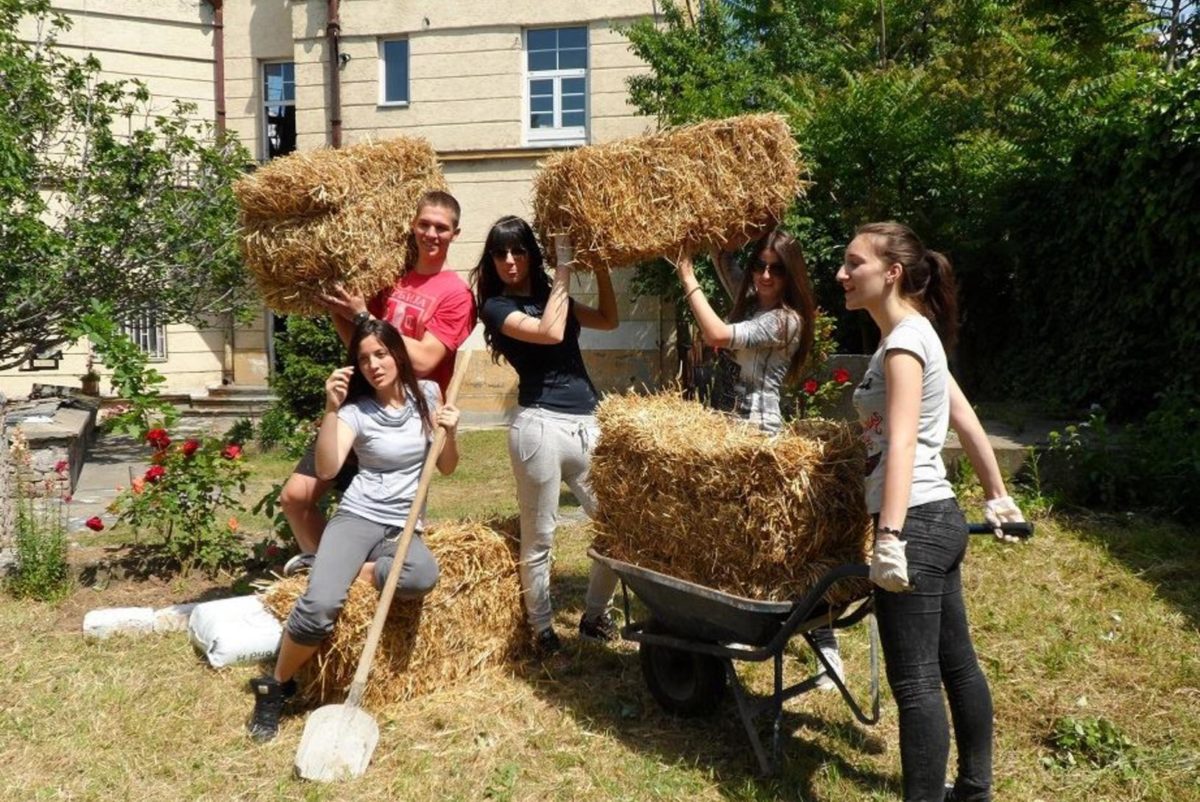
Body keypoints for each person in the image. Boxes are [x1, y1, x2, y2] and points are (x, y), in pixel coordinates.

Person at [837, 221, 1025, 802]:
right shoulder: (919, 335)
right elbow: (965, 419)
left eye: (853, 263)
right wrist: (997, 495)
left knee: (915, 682)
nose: (841, 274)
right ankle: (974, 790)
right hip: (940, 516)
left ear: (891, 273)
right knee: (957, 666)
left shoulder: (901, 345)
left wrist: (888, 535)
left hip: (914, 521)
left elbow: (900, 445)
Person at [248, 318, 460, 742]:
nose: (374, 365)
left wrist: (450, 432)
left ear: (397, 353)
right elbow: (327, 468)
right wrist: (330, 409)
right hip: (358, 517)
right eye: (364, 359)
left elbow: (448, 466)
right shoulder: (354, 412)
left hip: (403, 524)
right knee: (320, 607)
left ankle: (350, 570)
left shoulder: (431, 395)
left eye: (380, 354)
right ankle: (275, 687)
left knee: (421, 575)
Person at [674, 230, 845, 690]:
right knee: (736, 536)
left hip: (762, 439)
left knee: (777, 545)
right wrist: (717, 231)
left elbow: (716, 334)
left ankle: (826, 647)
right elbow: (725, 260)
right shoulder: (756, 302)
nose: (765, 275)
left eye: (776, 268)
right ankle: (735, 626)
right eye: (760, 266)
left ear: (792, 275)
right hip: (734, 432)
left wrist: (686, 273)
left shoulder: (785, 321)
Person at [279, 190, 476, 571]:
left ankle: (344, 577)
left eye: (441, 227)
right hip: (360, 405)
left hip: (405, 416)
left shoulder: (456, 293)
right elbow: (361, 340)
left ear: (455, 233)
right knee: (295, 498)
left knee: (382, 520)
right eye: (424, 224)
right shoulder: (391, 279)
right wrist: (334, 304)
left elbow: (426, 358)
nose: (431, 234)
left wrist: (365, 317)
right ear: (412, 226)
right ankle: (325, 573)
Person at [470, 216, 620, 655]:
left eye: (518, 250)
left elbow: (610, 320)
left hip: (588, 423)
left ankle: (594, 617)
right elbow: (550, 332)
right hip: (538, 427)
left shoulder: (554, 295)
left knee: (617, 526)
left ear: (531, 254)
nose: (510, 260)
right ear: (492, 261)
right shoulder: (496, 307)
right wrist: (566, 266)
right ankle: (543, 629)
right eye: (500, 253)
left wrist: (603, 267)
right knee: (541, 536)